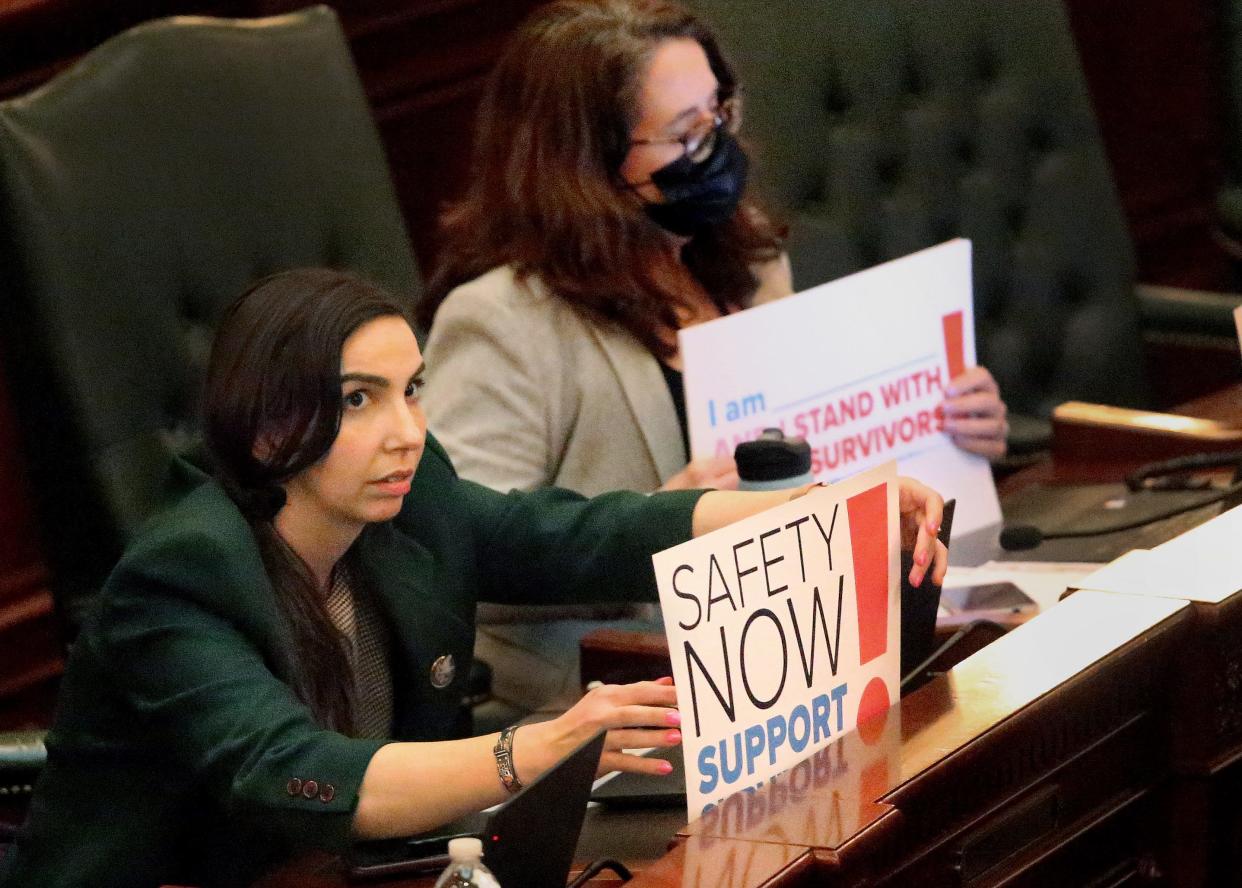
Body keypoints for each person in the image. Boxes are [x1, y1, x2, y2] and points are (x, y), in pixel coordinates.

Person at [0, 268, 948, 887]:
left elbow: (583, 536)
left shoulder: (410, 500)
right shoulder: (179, 576)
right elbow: (296, 773)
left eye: (410, 391)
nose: (407, 430)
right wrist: (538, 748)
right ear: (270, 424)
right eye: (359, 402)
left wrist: (828, 503)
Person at [417, 0, 1009, 500]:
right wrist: (658, 523)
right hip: (626, 638)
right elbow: (474, 559)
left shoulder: (746, 258)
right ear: (585, 164)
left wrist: (948, 430)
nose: (718, 147)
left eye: (719, 113)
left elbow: (818, 453)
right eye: (685, 134)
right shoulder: (501, 323)